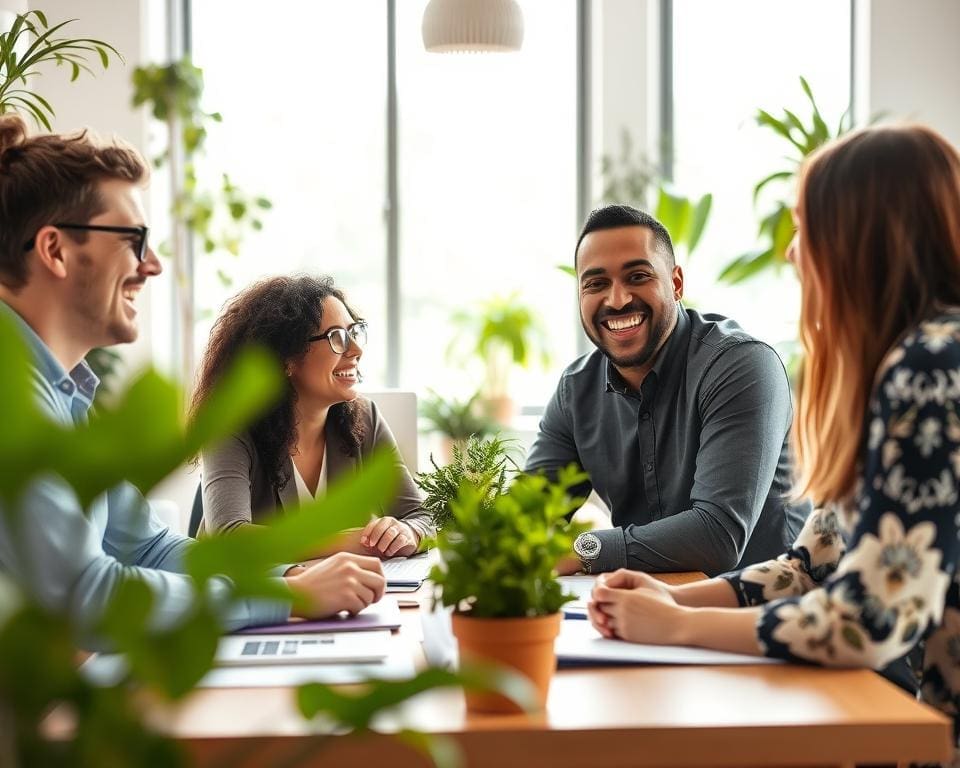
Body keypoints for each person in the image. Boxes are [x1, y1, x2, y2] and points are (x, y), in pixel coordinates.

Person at [588, 125, 960, 742]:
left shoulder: (929, 369)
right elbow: (809, 567)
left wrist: (675, 627)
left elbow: (865, 621)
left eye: (805, 229)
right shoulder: (905, 361)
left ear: (860, 240)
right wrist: (674, 599)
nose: (792, 253)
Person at [0, 115, 386, 642]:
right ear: (55, 251)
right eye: (133, 239)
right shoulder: (12, 398)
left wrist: (288, 582)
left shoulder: (62, 393)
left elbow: (148, 547)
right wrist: (288, 598)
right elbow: (83, 597)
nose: (152, 265)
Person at [527, 203, 808, 576]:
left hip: (765, 613)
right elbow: (525, 516)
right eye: (596, 283)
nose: (617, 299)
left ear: (676, 283)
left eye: (638, 276)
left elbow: (716, 537)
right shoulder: (576, 391)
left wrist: (583, 549)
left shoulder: (741, 365)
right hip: (647, 609)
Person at [193, 275, 433, 558]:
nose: (356, 350)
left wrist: (406, 533)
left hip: (346, 598)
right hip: (246, 599)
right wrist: (354, 543)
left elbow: (421, 517)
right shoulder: (230, 426)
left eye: (353, 333)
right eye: (337, 338)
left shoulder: (365, 419)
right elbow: (229, 538)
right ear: (285, 359)